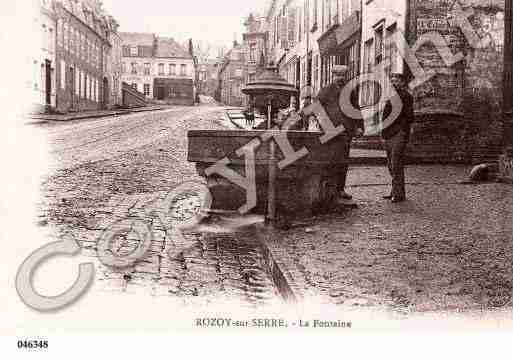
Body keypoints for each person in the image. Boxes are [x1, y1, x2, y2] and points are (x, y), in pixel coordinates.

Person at [316, 65, 364, 203]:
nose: (340, 78)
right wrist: (323, 125)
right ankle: (328, 190)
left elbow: (356, 109)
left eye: (343, 75)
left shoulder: (350, 91)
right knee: (330, 161)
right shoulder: (325, 91)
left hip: (346, 131)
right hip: (330, 132)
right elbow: (316, 108)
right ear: (333, 75)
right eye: (338, 75)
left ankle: (340, 189)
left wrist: (359, 126)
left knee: (343, 161)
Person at [381, 73, 414, 203]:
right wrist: (383, 133)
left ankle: (399, 194)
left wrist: (402, 130)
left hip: (399, 133)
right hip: (389, 133)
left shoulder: (406, 97)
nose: (394, 83)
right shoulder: (391, 97)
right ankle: (394, 190)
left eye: (396, 81)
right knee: (390, 164)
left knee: (396, 163)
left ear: (402, 82)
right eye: (392, 81)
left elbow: (409, 117)